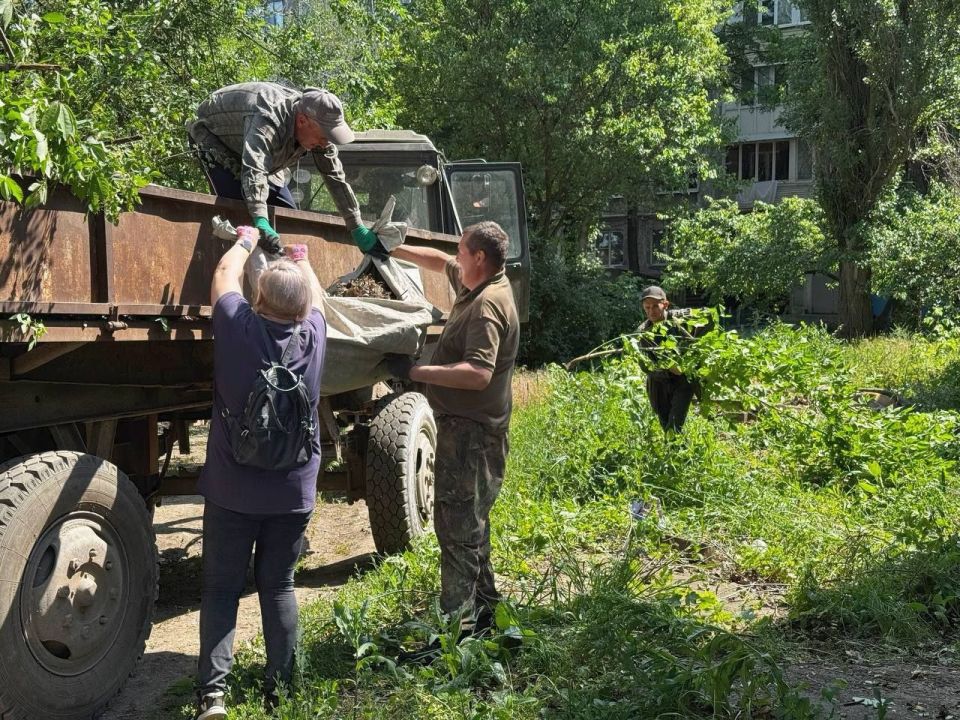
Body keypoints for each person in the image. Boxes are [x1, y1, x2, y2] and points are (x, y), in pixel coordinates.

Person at [193, 228, 326, 719]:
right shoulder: (314, 336)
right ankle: (282, 689)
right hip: (292, 492)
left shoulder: (236, 327)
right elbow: (316, 300)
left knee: (221, 588)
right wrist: (300, 257)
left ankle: (213, 696)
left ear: (258, 298)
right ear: (303, 306)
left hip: (232, 489)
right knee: (279, 586)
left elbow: (223, 274)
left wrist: (246, 241)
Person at [385, 221, 520, 640]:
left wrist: (417, 371)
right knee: (470, 526)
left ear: (479, 258)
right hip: (467, 430)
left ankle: (454, 636)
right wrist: (391, 249)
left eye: (462, 251)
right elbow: (438, 260)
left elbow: (479, 373)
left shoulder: (486, 307)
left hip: (473, 437)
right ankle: (491, 617)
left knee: (458, 531)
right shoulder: (475, 283)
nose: (456, 257)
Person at [187, 81, 384, 256]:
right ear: (302, 121)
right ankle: (231, 275)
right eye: (324, 137)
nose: (325, 144)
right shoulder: (267, 117)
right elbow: (254, 168)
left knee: (287, 215)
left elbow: (334, 175)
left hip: (263, 155)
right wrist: (261, 220)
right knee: (242, 212)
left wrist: (356, 226)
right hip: (215, 141)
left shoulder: (318, 131)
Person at [637, 285, 697, 433]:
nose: (651, 311)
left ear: (665, 304)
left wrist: (683, 364)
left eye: (655, 306)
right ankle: (677, 453)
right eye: (647, 308)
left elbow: (696, 346)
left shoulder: (681, 321)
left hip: (683, 382)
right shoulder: (642, 333)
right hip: (658, 385)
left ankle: (679, 454)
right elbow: (645, 364)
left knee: (675, 425)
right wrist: (667, 368)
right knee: (666, 425)